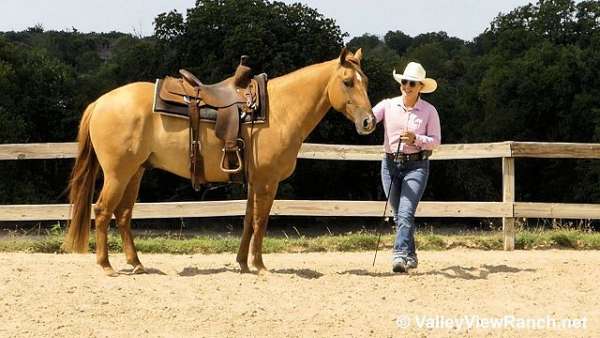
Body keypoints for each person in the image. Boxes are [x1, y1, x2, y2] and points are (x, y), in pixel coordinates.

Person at [372, 62, 441, 273]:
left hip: (416, 165)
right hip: (390, 164)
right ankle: (411, 255)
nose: (407, 86)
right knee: (399, 214)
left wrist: (416, 138)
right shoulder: (388, 105)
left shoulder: (429, 111)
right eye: (404, 81)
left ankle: (400, 255)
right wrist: (365, 120)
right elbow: (369, 119)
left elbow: (436, 141)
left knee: (405, 212)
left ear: (420, 86)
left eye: (412, 83)